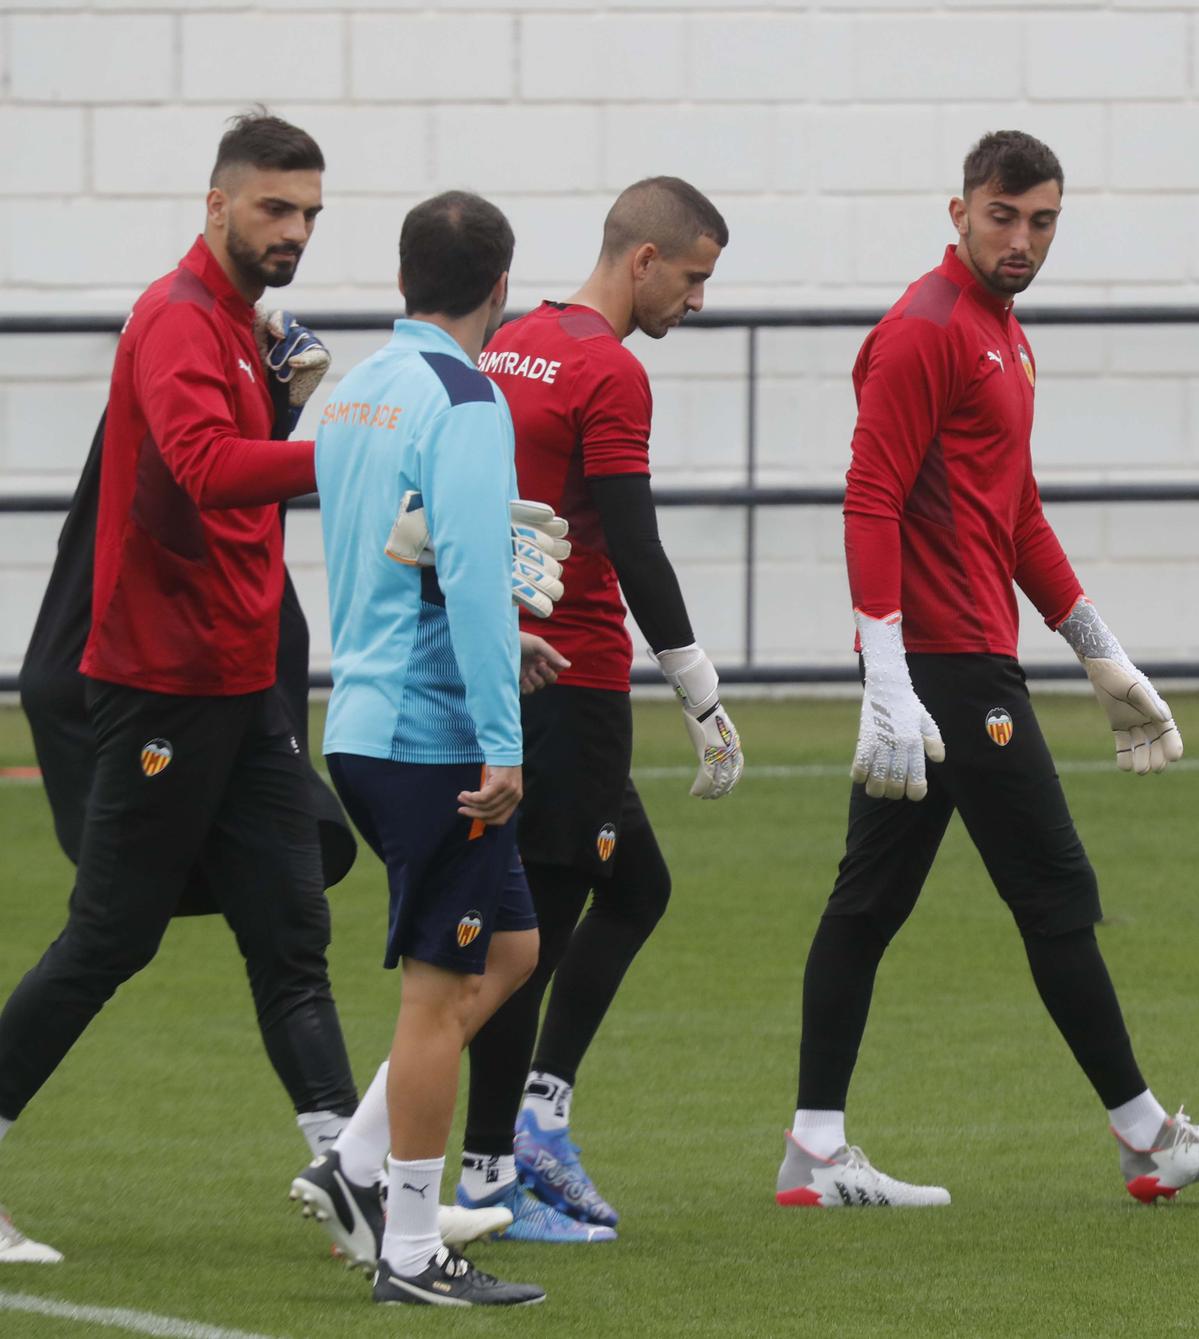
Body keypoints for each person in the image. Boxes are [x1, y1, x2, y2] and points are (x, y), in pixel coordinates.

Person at [773, 131, 1199, 1209]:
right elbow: (867, 499)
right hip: (951, 670)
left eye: (1042, 221)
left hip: (962, 658)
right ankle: (1148, 1138)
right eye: (1003, 217)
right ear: (958, 209)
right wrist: (886, 670)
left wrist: (1096, 647)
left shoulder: (1002, 335)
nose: (1021, 240)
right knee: (1053, 892)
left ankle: (813, 1152)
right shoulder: (922, 331)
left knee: (865, 904)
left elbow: (1014, 512)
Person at [0, 112, 358, 1265]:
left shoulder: (240, 325)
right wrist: (352, 445)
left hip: (242, 680)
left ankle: (364, 1192)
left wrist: (294, 409)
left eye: (307, 212)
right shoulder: (174, 320)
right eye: (273, 209)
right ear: (216, 206)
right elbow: (206, 473)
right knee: (110, 936)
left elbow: (233, 468)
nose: (293, 230)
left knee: (292, 931)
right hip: (159, 687)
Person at [452, 177, 743, 1241]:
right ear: (642, 262)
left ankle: (536, 1115)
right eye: (694, 278)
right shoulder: (609, 371)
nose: (698, 302)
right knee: (529, 934)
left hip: (507, 668)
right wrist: (700, 690)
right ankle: (494, 1170)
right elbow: (632, 541)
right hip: (568, 685)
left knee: (634, 888)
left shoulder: (514, 338)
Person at [291, 190, 567, 1306]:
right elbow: (467, 554)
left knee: (510, 951)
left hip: (364, 714)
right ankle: (407, 1250)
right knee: (434, 988)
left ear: (406, 276)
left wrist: (500, 647)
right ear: (501, 288)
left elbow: (409, 556)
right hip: (431, 736)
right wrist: (502, 739)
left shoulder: (355, 390)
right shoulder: (466, 397)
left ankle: (355, 1166)